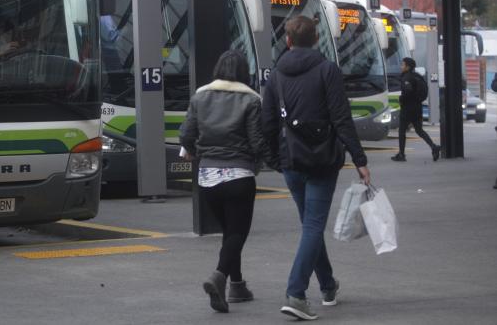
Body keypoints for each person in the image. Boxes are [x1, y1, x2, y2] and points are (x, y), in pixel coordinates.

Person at [262, 16, 371, 321]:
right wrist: (360, 160)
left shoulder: (276, 75)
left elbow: (267, 122)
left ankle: (327, 286)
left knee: (311, 224)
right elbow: (341, 118)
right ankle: (296, 294)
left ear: (288, 41)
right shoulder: (328, 70)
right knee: (313, 225)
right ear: (316, 40)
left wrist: (274, 159)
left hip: (291, 160)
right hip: (323, 160)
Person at [179, 50, 270, 313]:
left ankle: (238, 286)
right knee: (238, 233)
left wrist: (201, 152)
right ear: (244, 72)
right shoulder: (252, 100)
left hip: (207, 179)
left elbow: (186, 135)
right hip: (239, 176)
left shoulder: (200, 96)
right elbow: (257, 142)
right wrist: (272, 161)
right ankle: (219, 276)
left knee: (230, 233)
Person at [391, 57, 441, 162]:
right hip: (418, 107)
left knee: (402, 131)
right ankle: (433, 146)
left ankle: (401, 154)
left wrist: (401, 98)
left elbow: (408, 91)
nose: (401, 67)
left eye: (403, 65)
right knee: (419, 130)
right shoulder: (417, 76)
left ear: (408, 67)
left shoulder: (407, 77)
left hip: (408, 107)